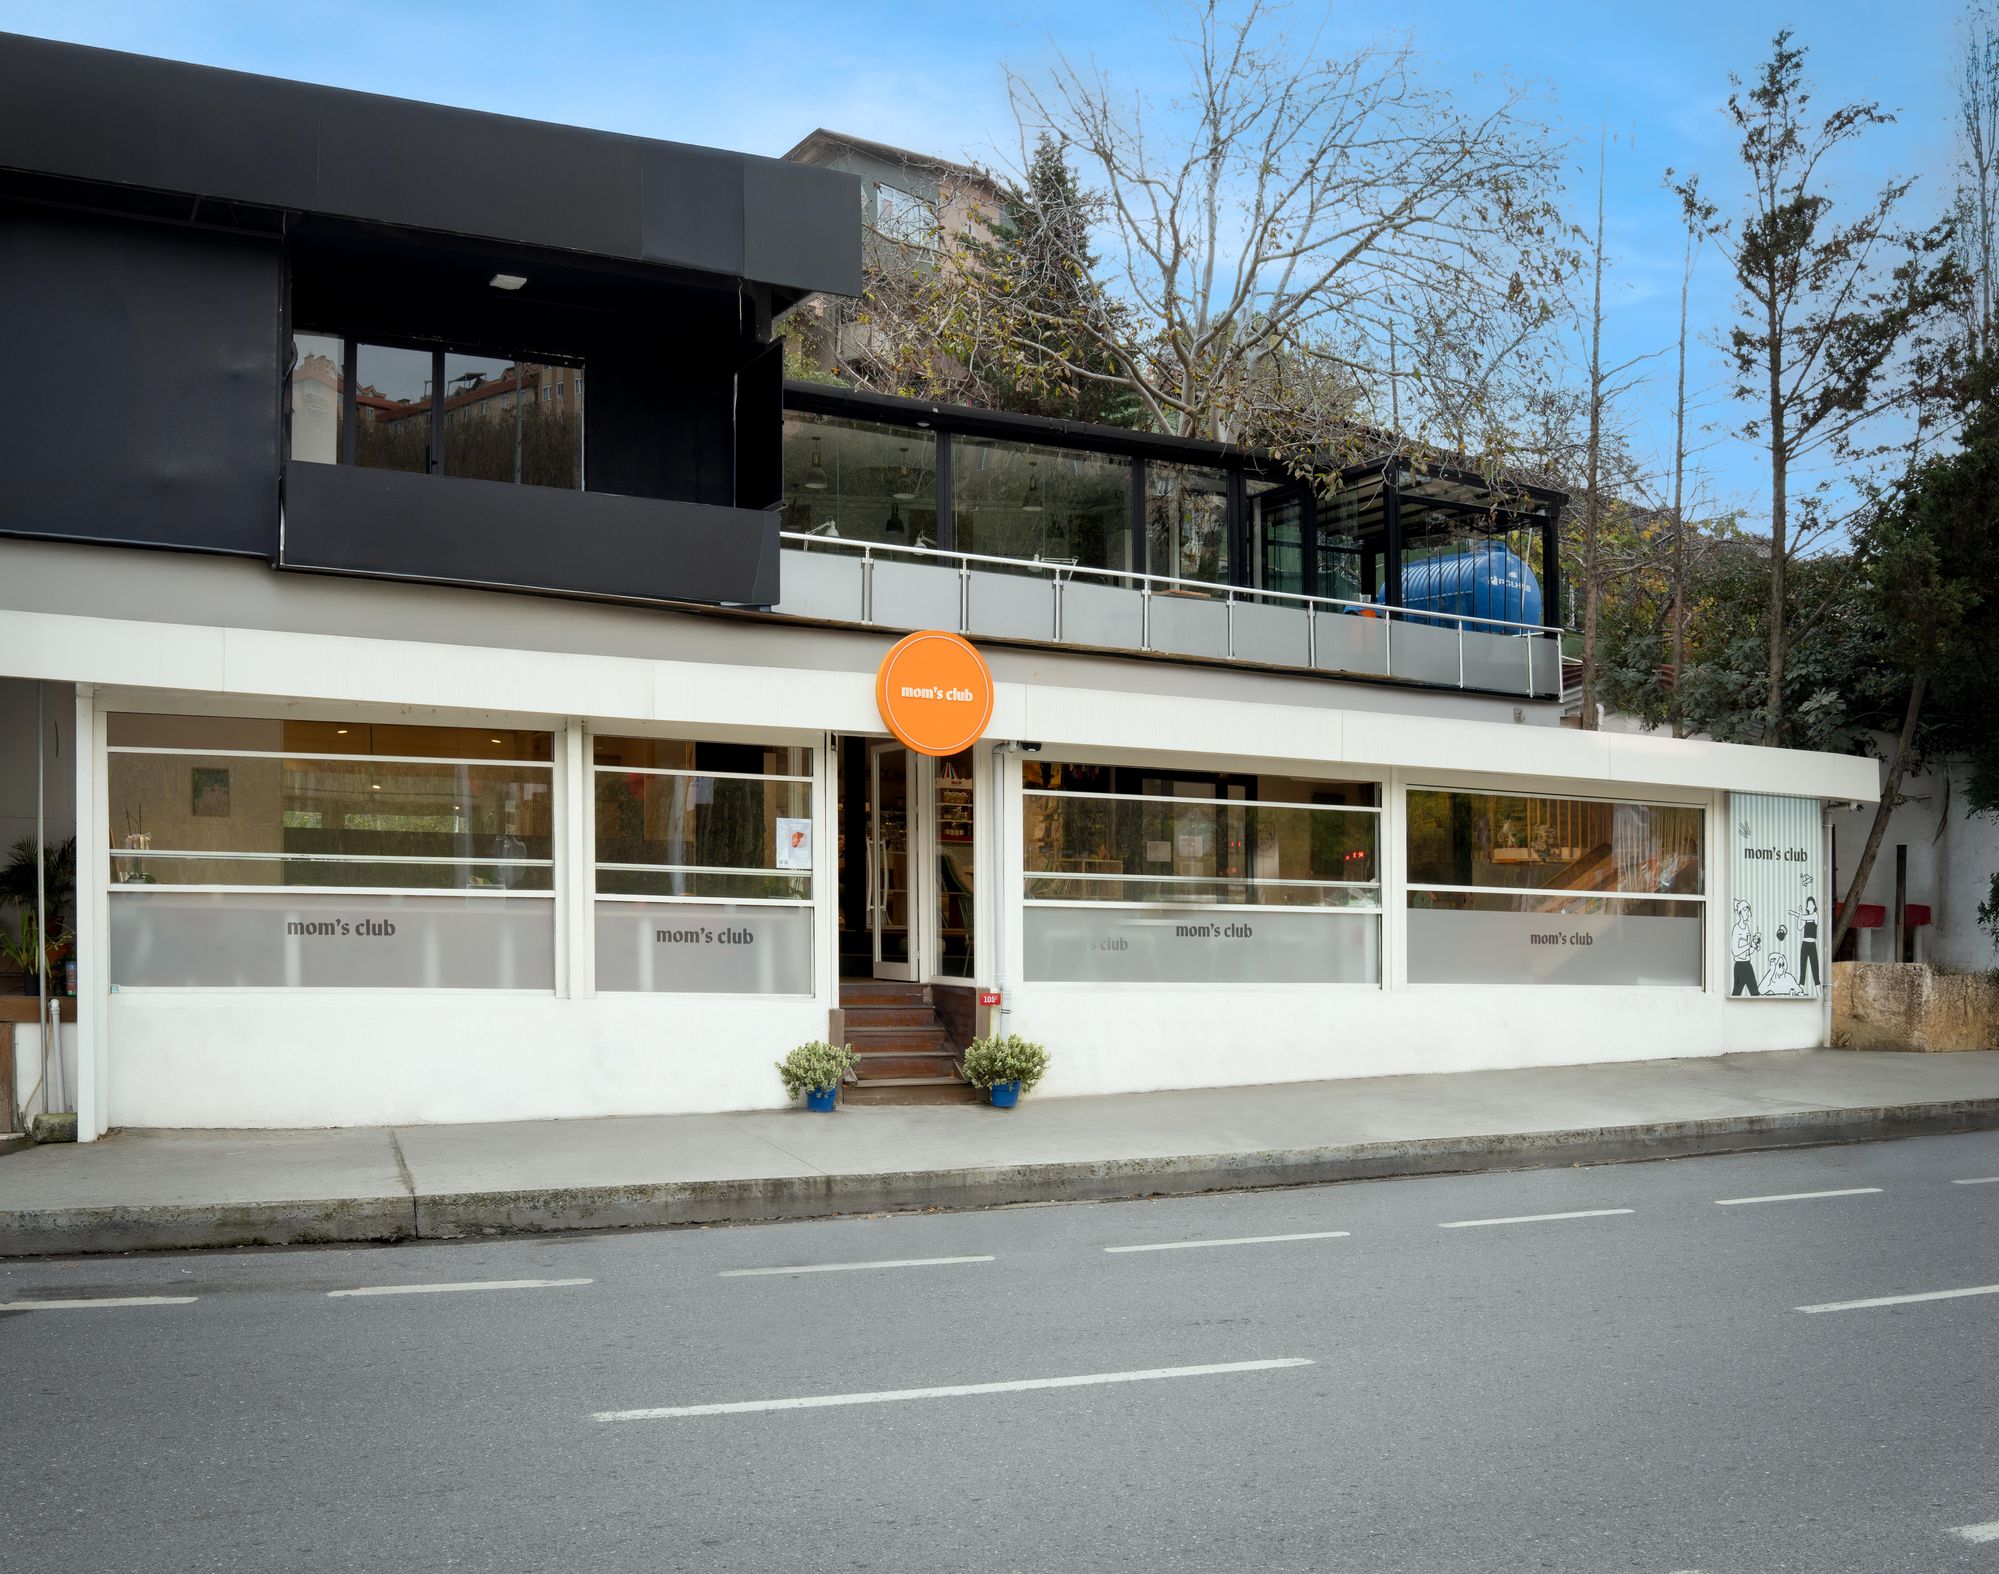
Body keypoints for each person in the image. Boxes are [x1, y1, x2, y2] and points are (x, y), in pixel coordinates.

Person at [1787, 895, 1821, 989]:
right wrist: (1800, 915)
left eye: (1811, 904)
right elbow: (1799, 926)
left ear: (1814, 906)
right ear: (1807, 907)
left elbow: (1805, 917)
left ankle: (1818, 989)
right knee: (1803, 967)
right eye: (1808, 905)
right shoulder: (1805, 917)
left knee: (1815, 968)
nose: (1810, 906)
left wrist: (1796, 913)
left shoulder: (1815, 915)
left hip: (1812, 944)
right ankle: (1800, 989)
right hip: (1804, 944)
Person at [1730, 900, 1760, 996]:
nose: (1747, 913)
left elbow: (1747, 952)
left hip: (1747, 964)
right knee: (1736, 994)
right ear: (1740, 913)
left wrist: (1754, 945)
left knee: (1755, 993)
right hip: (1739, 966)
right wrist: (1749, 945)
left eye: (1748, 910)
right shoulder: (1736, 929)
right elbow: (1735, 951)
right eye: (1745, 910)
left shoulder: (1747, 927)